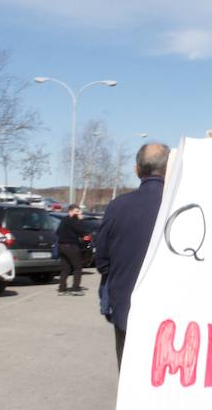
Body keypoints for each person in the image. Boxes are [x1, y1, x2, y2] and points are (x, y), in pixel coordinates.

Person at [93, 141, 169, 364]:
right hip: (171, 316)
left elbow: (102, 260)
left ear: (137, 170)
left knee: (129, 375)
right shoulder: (180, 203)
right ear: (169, 170)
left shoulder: (118, 206)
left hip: (126, 309)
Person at [56, 204, 87, 294]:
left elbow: (58, 232)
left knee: (66, 267)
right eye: (76, 212)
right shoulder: (72, 221)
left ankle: (62, 288)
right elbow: (82, 230)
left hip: (62, 246)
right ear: (70, 211)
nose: (78, 214)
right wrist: (81, 220)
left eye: (79, 212)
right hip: (70, 246)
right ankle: (75, 288)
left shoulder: (64, 220)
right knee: (78, 267)